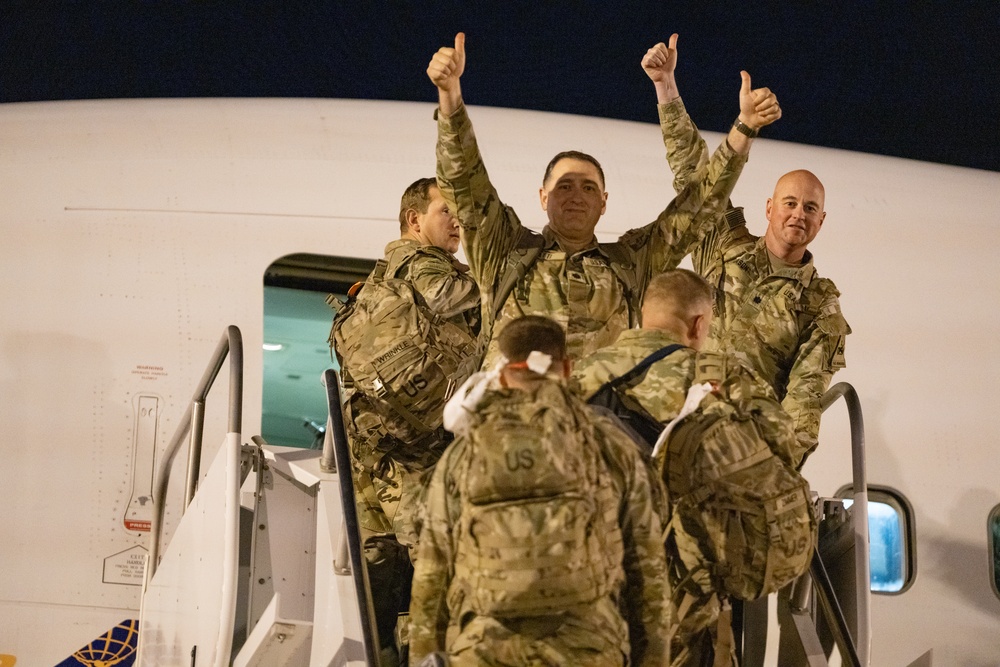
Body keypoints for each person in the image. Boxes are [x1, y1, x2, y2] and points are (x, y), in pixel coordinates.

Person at [426, 32, 782, 369]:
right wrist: (450, 97)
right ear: (543, 197)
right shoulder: (503, 252)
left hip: (598, 430)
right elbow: (464, 181)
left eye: (589, 187)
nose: (577, 195)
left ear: (604, 202)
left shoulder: (632, 262)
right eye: (564, 186)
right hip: (514, 426)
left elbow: (699, 204)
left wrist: (745, 128)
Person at [409, 315, 669, 667]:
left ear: (501, 373)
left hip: (484, 651)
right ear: (566, 368)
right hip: (588, 649)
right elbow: (647, 570)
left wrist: (424, 656)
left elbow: (431, 578)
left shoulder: (464, 453)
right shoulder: (610, 445)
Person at [643, 34, 850, 467]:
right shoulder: (724, 244)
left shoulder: (819, 306)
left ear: (821, 221)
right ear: (770, 208)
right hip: (673, 431)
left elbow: (803, 401)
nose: (799, 215)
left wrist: (767, 471)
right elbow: (696, 175)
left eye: (811, 208)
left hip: (739, 450)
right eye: (790, 203)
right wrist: (666, 86)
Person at [574, 269, 798, 667]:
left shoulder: (579, 374)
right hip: (679, 589)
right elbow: (782, 451)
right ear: (698, 324)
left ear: (644, 315)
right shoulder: (718, 375)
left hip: (588, 579)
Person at [338, 177, 481, 666]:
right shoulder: (422, 264)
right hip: (417, 453)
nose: (458, 220)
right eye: (447, 211)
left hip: (377, 446)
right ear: (414, 220)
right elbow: (457, 296)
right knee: (434, 571)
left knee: (381, 570)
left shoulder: (381, 276)